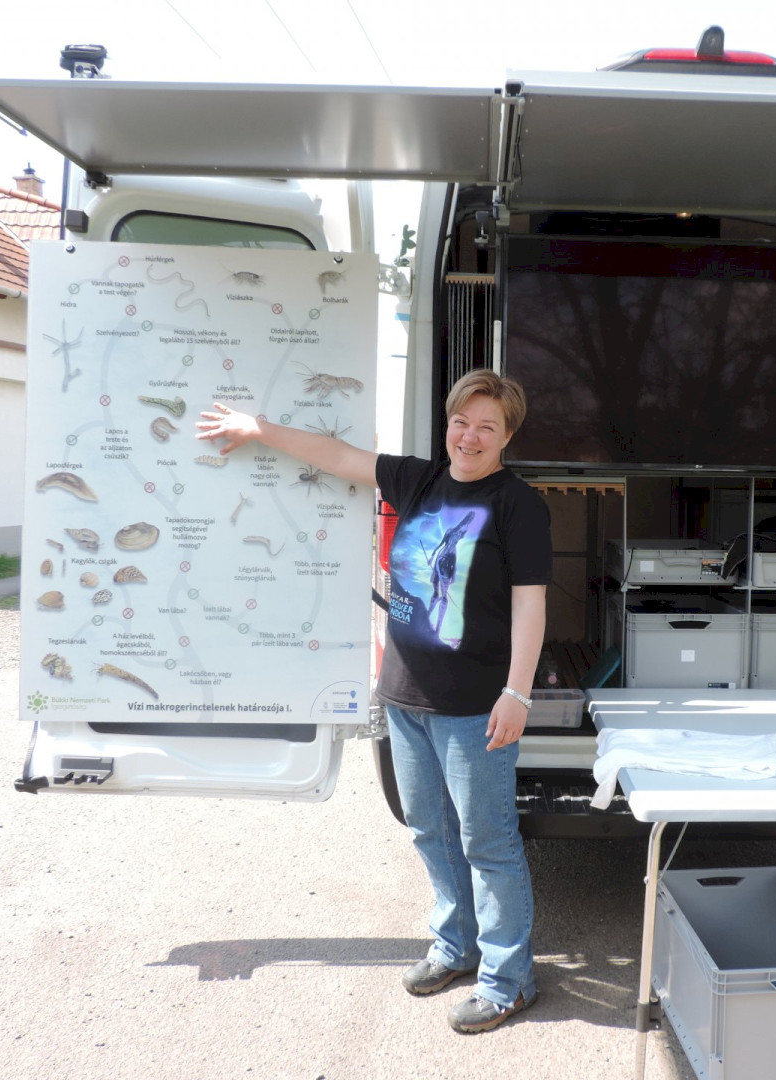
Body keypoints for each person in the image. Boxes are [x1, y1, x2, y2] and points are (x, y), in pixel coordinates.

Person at [196, 369, 550, 1034]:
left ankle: (509, 981)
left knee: (488, 843)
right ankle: (455, 946)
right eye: (461, 422)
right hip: (405, 696)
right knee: (429, 831)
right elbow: (336, 455)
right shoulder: (418, 479)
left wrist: (517, 692)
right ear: (447, 424)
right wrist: (257, 430)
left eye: (487, 427)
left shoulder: (517, 504)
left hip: (475, 706)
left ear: (507, 436)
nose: (470, 436)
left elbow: (531, 605)